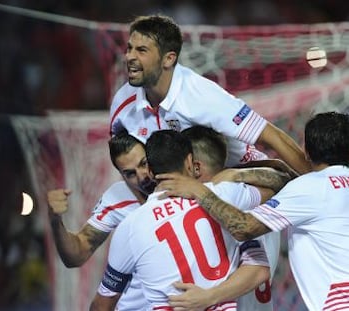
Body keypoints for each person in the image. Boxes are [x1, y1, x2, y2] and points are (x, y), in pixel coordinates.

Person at [155, 111, 349, 311]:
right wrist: (237, 174)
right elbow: (285, 180)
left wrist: (200, 191)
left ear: (306, 152)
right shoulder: (308, 189)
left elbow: (244, 228)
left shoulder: (309, 188)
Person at [89, 129, 289, 311]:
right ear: (189, 162)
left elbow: (101, 306)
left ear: (150, 171)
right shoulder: (227, 195)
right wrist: (230, 175)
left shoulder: (129, 228)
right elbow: (279, 186)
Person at [109, 14, 311, 174]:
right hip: (180, 188)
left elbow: (272, 136)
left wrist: (317, 182)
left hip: (240, 178)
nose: (129, 57)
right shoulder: (122, 103)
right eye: (129, 49)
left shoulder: (202, 96)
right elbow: (125, 164)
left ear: (168, 59)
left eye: (141, 50)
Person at [48, 131, 155, 310]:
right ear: (121, 175)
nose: (142, 176)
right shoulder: (116, 198)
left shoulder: (180, 183)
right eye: (130, 173)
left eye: (144, 163)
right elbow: (76, 255)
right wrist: (55, 220)